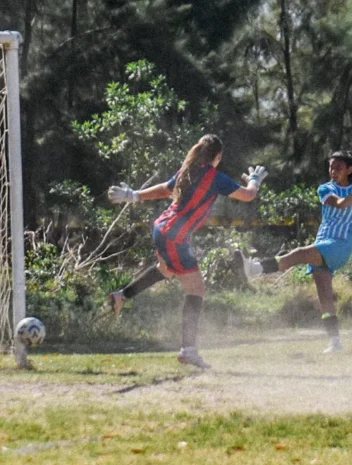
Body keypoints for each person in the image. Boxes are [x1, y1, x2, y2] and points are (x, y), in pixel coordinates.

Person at [106, 134, 268, 369]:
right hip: (175, 237)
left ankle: (122, 295)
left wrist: (134, 195)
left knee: (166, 270)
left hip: (162, 229)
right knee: (197, 289)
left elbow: (165, 189)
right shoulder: (214, 177)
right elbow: (248, 195)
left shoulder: (188, 170)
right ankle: (188, 350)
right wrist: (254, 179)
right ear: (218, 156)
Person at [238, 151, 352, 353]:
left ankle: (255, 269)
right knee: (325, 296)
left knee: (298, 253)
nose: (333, 171)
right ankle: (335, 342)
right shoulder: (326, 189)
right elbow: (341, 204)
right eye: (331, 167)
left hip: (340, 245)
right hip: (323, 242)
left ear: (349, 169)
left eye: (338, 167)